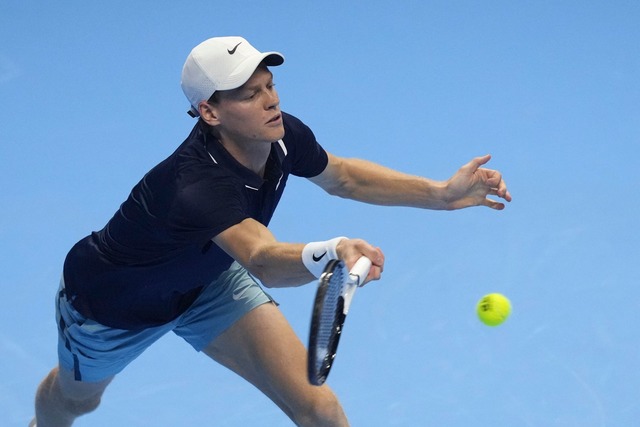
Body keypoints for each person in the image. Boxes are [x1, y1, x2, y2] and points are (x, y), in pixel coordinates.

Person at [30, 36, 511, 427]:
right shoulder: (194, 185)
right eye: (249, 94)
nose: (271, 100)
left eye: (270, 84)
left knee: (319, 410)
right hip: (114, 306)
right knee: (73, 404)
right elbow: (260, 259)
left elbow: (343, 176)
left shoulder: (280, 135)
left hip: (211, 281)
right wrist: (331, 251)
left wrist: (442, 194)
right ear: (209, 112)